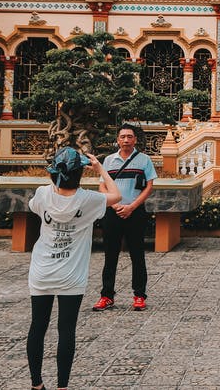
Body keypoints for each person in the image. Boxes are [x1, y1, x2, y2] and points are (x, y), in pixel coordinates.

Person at [28, 146, 121, 390]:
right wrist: (101, 169)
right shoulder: (89, 200)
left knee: (38, 326)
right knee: (66, 329)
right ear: (80, 174)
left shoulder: (42, 194)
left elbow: (34, 206)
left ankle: (36, 385)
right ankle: (62, 387)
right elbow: (116, 195)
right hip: (71, 274)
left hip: (42, 271)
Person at [93, 124, 158, 312]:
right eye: (123, 137)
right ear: (117, 139)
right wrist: (114, 205)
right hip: (113, 212)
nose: (126, 140)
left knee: (137, 254)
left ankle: (139, 295)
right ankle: (106, 295)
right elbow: (103, 186)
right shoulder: (109, 161)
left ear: (135, 139)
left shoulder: (144, 160)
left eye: (130, 136)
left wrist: (131, 207)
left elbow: (149, 186)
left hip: (135, 212)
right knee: (110, 255)